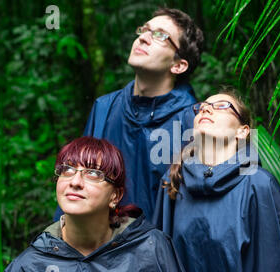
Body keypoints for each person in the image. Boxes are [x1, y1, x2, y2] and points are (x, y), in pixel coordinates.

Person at [0, 136, 194, 272]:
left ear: (115, 196)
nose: (75, 181)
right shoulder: (27, 268)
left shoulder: (152, 249)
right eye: (68, 170)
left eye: (92, 173)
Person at [54, 8, 204, 221]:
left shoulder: (195, 121)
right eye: (144, 30)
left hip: (161, 250)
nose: (143, 38)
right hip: (102, 247)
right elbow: (78, 183)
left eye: (160, 35)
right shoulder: (105, 107)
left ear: (178, 65)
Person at [151, 89, 280, 272]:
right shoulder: (174, 182)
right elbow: (158, 265)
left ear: (242, 131)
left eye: (221, 106)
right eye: (201, 107)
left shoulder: (259, 184)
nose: (205, 109)